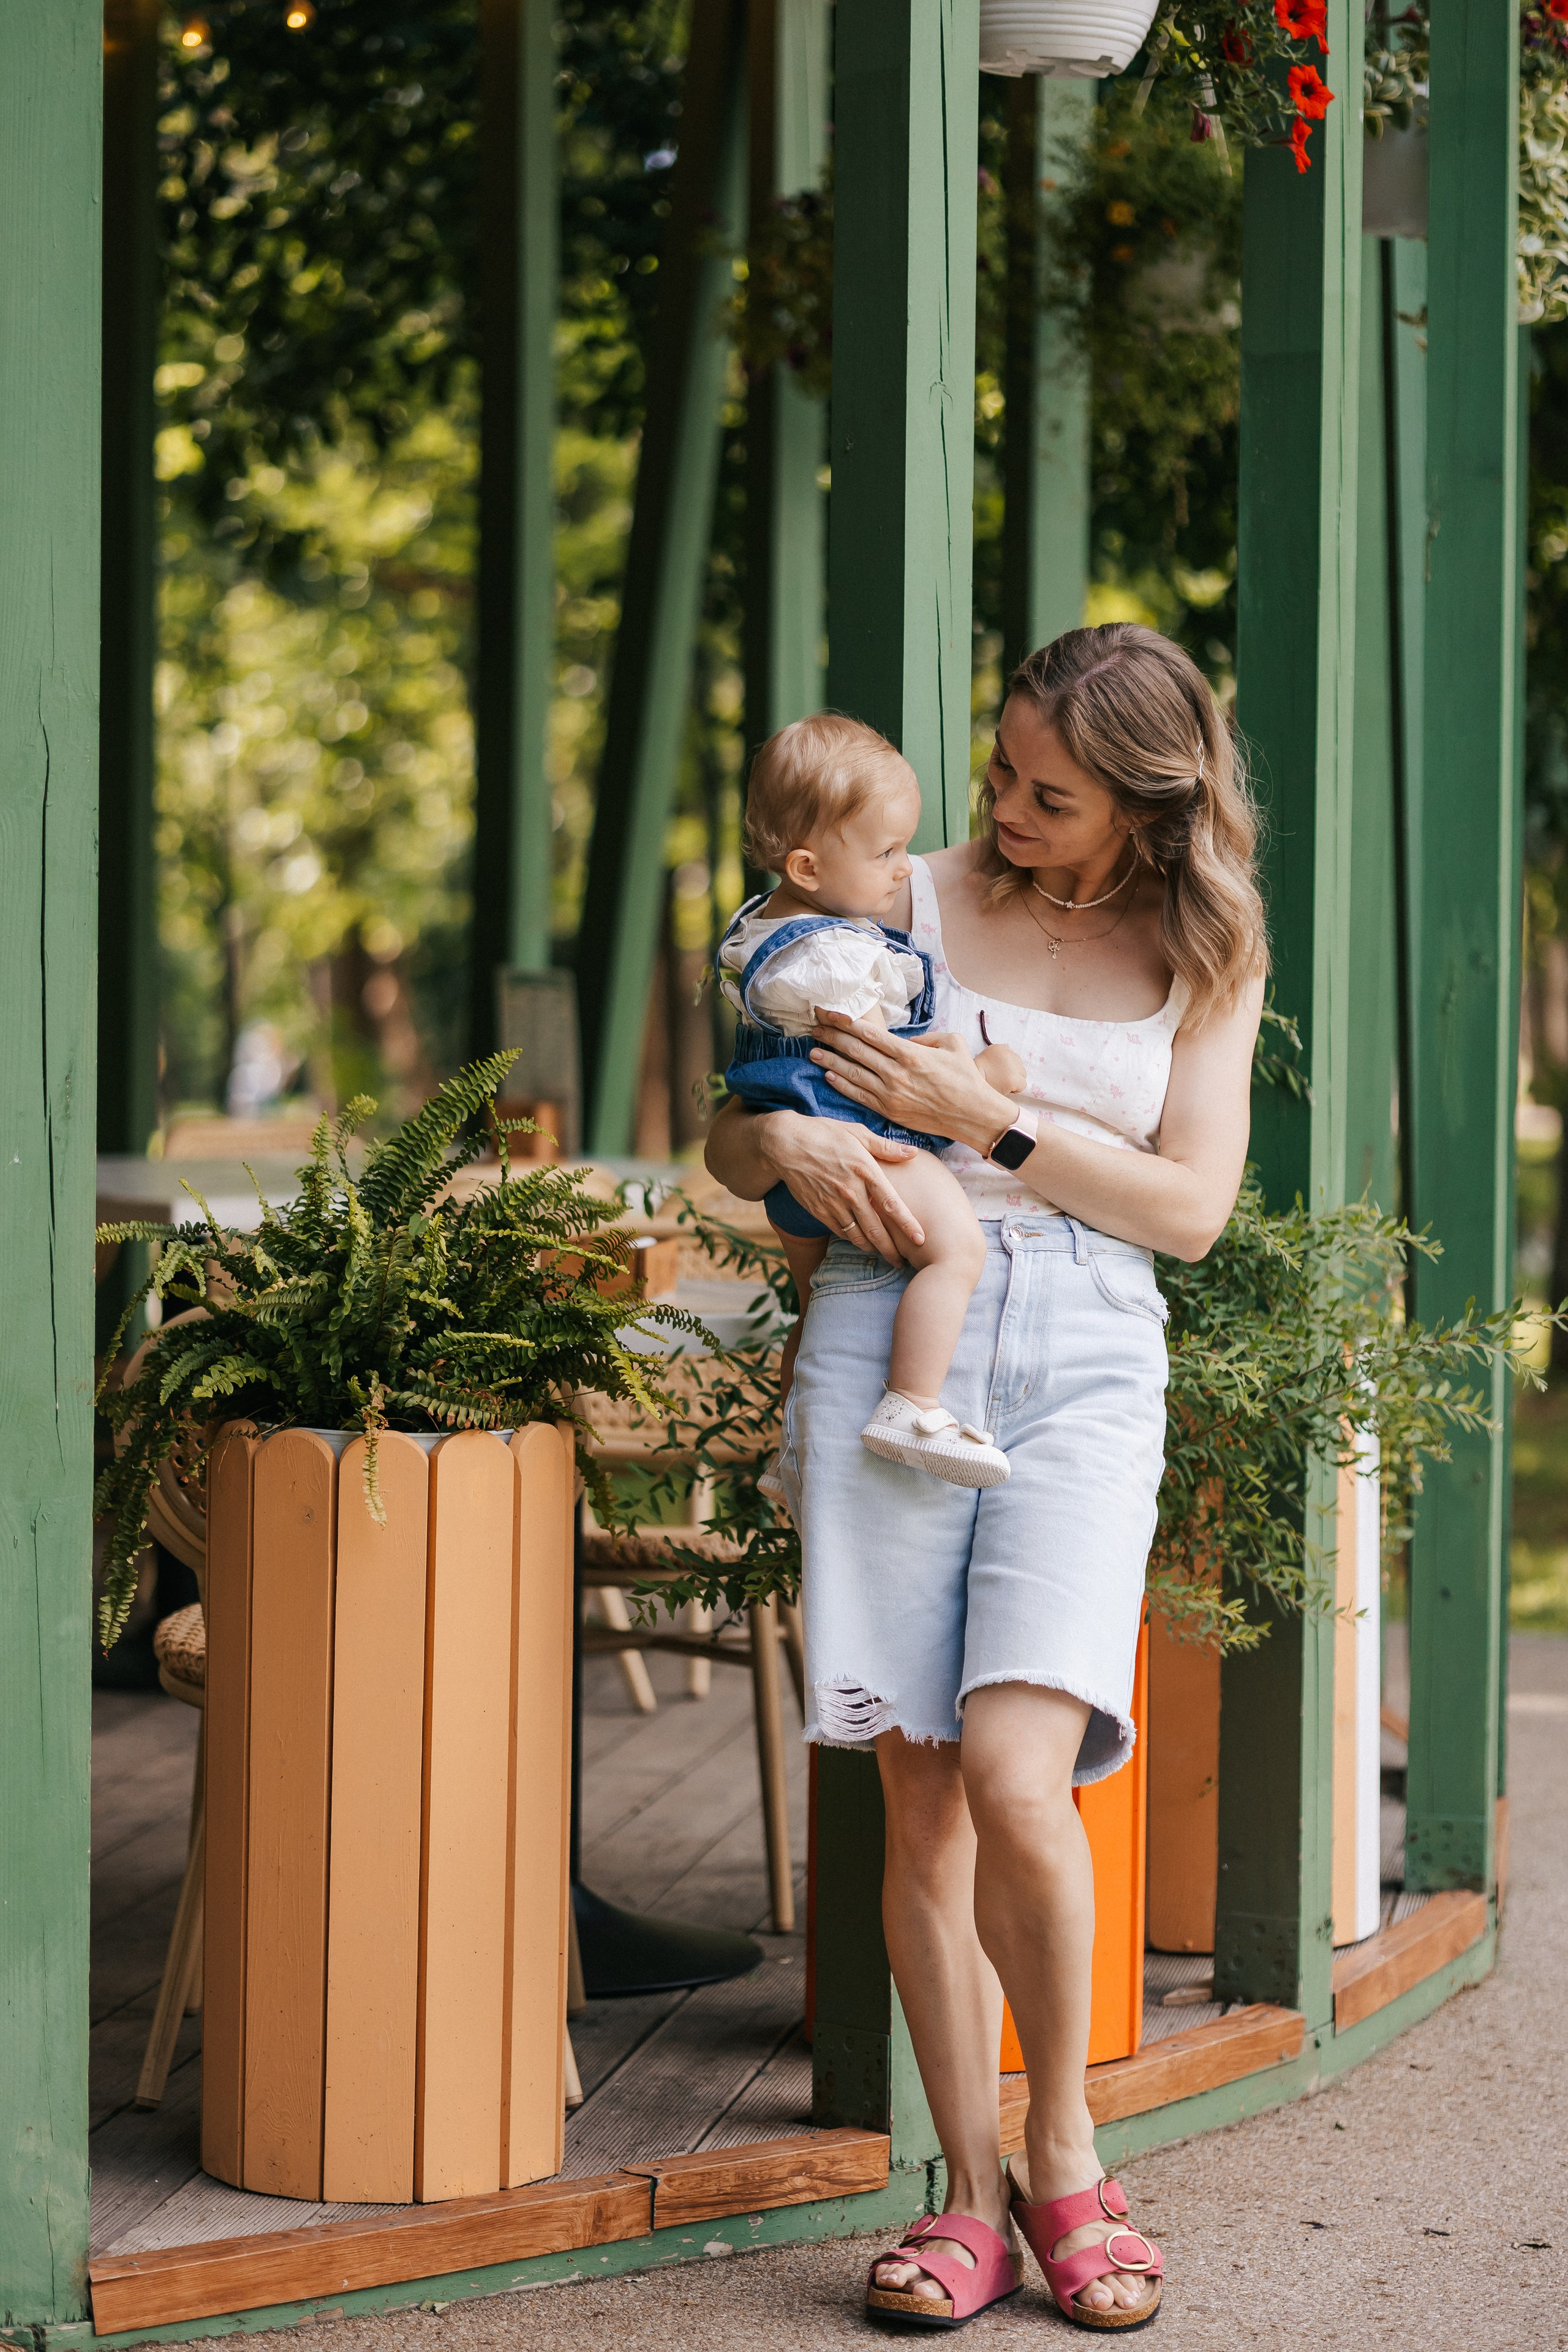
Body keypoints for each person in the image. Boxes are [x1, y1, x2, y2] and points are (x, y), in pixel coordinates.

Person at [704, 624, 1266, 2329]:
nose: (1005, 809)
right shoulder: (896, 895)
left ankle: (1069, 2157)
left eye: (1052, 794)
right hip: (893, 1331)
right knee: (925, 1786)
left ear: (1151, 808)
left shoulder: (1208, 949)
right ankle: (961, 2192)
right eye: (1003, 770)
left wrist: (998, 1122)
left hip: (1089, 1349)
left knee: (1027, 1771)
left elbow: (1188, 1210)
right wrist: (779, 1140)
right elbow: (739, 1130)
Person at [719, 714, 1025, 1488]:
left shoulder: (761, 929)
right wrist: (984, 1075)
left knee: (811, 1303)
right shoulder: (834, 963)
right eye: (885, 852)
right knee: (956, 1252)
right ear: (807, 866)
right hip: (860, 1144)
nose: (901, 869)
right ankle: (913, 1403)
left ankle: (789, 1454)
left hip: (799, 1171)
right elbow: (886, 1067)